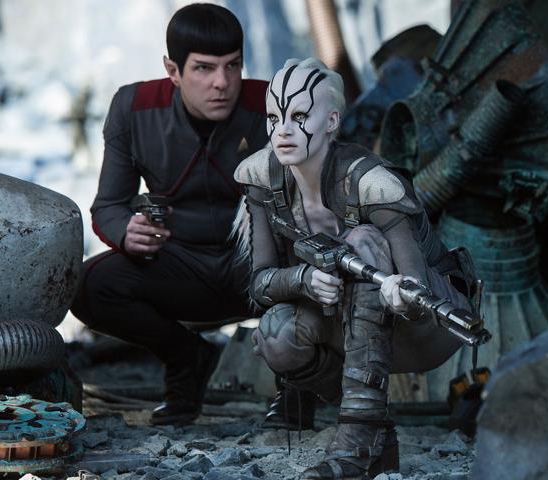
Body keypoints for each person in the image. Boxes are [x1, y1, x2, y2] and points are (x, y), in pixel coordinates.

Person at [233, 57, 477, 479]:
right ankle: (374, 432)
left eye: (298, 116)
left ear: (331, 121)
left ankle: (356, 444)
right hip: (341, 323)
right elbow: (259, 283)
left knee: (363, 241)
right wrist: (304, 279)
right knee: (274, 335)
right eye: (274, 118)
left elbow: (415, 284)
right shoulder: (261, 177)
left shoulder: (371, 182)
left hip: (427, 326)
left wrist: (399, 292)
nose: (283, 130)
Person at [70, 3, 269, 425]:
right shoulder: (134, 108)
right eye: (204, 68)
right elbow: (108, 205)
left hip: (260, 264)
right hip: (180, 264)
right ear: (173, 70)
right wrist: (127, 232)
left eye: (233, 65)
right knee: (86, 287)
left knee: (324, 271)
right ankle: (186, 358)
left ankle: (298, 391)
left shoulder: (274, 105)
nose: (222, 83)